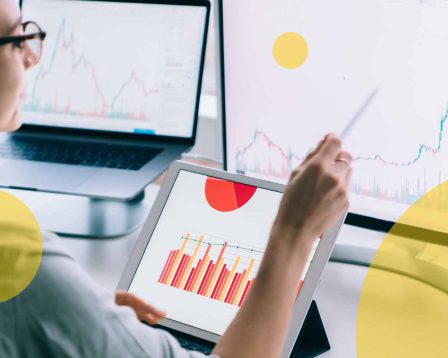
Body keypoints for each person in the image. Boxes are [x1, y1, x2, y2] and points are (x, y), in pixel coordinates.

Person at [0, 0, 352, 357]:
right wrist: (294, 234)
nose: (31, 57)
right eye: (18, 39)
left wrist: (79, 309)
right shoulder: (17, 258)